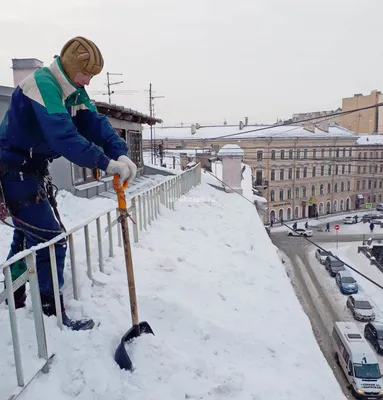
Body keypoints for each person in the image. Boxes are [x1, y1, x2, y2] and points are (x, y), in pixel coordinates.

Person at [0, 36, 137, 331]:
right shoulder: (44, 84)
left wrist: (121, 153)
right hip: (13, 169)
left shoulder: (72, 90)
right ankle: (51, 315)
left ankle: (13, 296)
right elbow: (63, 137)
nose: (88, 81)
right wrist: (105, 163)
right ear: (72, 66)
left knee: (28, 237)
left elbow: (94, 123)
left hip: (33, 169)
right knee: (51, 241)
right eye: (85, 74)